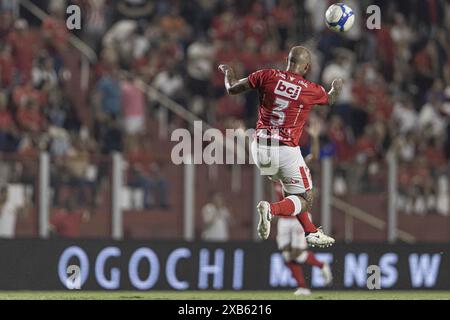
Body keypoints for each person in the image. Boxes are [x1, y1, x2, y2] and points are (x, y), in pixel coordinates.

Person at [218, 46, 343, 247]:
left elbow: (232, 88)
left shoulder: (267, 75)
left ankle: (310, 231)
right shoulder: (310, 89)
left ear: (287, 60)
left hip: (259, 150)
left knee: (288, 188)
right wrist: (337, 87)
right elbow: (331, 99)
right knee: (305, 198)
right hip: (285, 150)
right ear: (307, 67)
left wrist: (228, 72)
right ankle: (271, 210)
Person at [275, 121, 332, 296]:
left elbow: (313, 157)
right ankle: (303, 287)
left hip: (299, 217)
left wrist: (314, 137)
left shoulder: (299, 166)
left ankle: (322, 265)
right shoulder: (276, 171)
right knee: (286, 255)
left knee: (298, 253)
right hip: (284, 220)